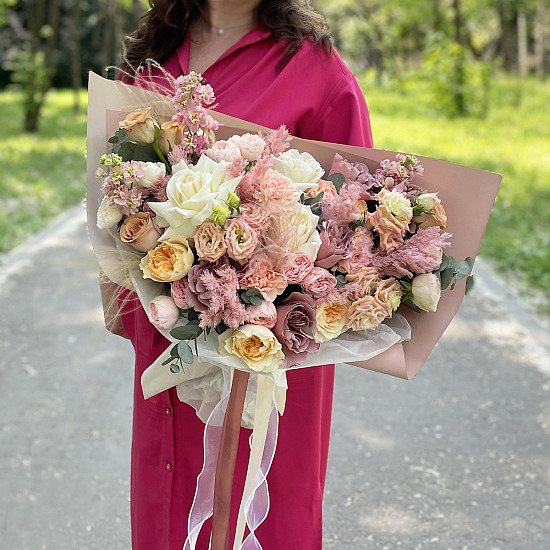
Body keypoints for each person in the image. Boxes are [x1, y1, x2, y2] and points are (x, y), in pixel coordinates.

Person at [110, 1, 373, 548]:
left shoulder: (314, 68)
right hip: (172, 335)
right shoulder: (153, 63)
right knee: (169, 504)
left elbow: (355, 222)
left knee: (270, 514)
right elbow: (117, 199)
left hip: (271, 352)